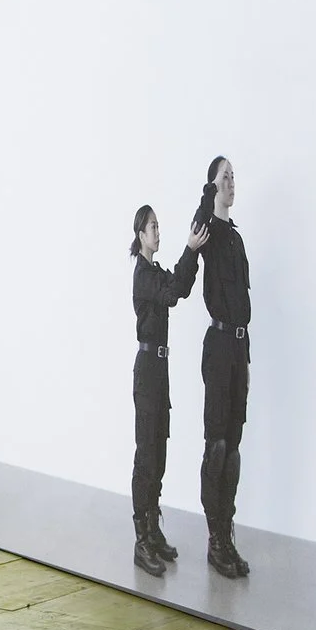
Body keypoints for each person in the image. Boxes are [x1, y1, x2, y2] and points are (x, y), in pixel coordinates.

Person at [129, 203, 204, 577]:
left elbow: (181, 287)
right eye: (152, 227)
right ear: (140, 235)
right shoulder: (143, 276)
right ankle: (141, 541)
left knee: (159, 450)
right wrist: (189, 250)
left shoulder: (155, 272)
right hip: (147, 370)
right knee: (146, 455)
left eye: (159, 225)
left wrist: (193, 251)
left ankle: (153, 531)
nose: (158, 231)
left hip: (161, 368)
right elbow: (173, 292)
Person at [193, 156, 251, 578]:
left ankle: (226, 536)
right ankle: (214, 540)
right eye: (224, 177)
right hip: (216, 347)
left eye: (233, 176)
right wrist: (208, 191)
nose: (232, 182)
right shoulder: (209, 232)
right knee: (215, 446)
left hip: (239, 347)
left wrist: (246, 359)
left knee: (232, 448)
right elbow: (198, 220)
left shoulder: (235, 239)